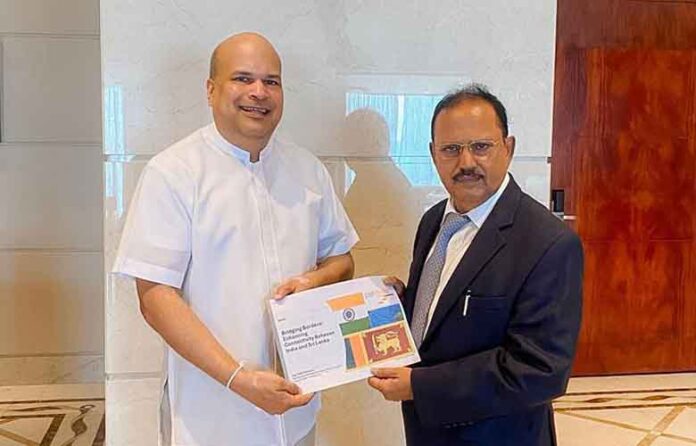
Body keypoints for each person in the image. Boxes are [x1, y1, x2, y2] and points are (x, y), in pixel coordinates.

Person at [113, 32, 358, 446]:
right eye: (242, 78)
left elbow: (342, 260)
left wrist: (313, 280)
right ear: (211, 90)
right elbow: (155, 297)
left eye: (271, 81)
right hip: (210, 417)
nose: (258, 92)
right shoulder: (173, 173)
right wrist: (238, 379)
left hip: (296, 413)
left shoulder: (308, 170)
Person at [368, 84, 583, 445]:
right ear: (433, 154)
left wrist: (420, 386)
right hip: (427, 431)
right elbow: (447, 315)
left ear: (508, 148)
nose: (466, 162)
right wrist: (401, 306)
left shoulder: (549, 243)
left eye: (481, 147)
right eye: (451, 149)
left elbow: (541, 370)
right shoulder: (434, 221)